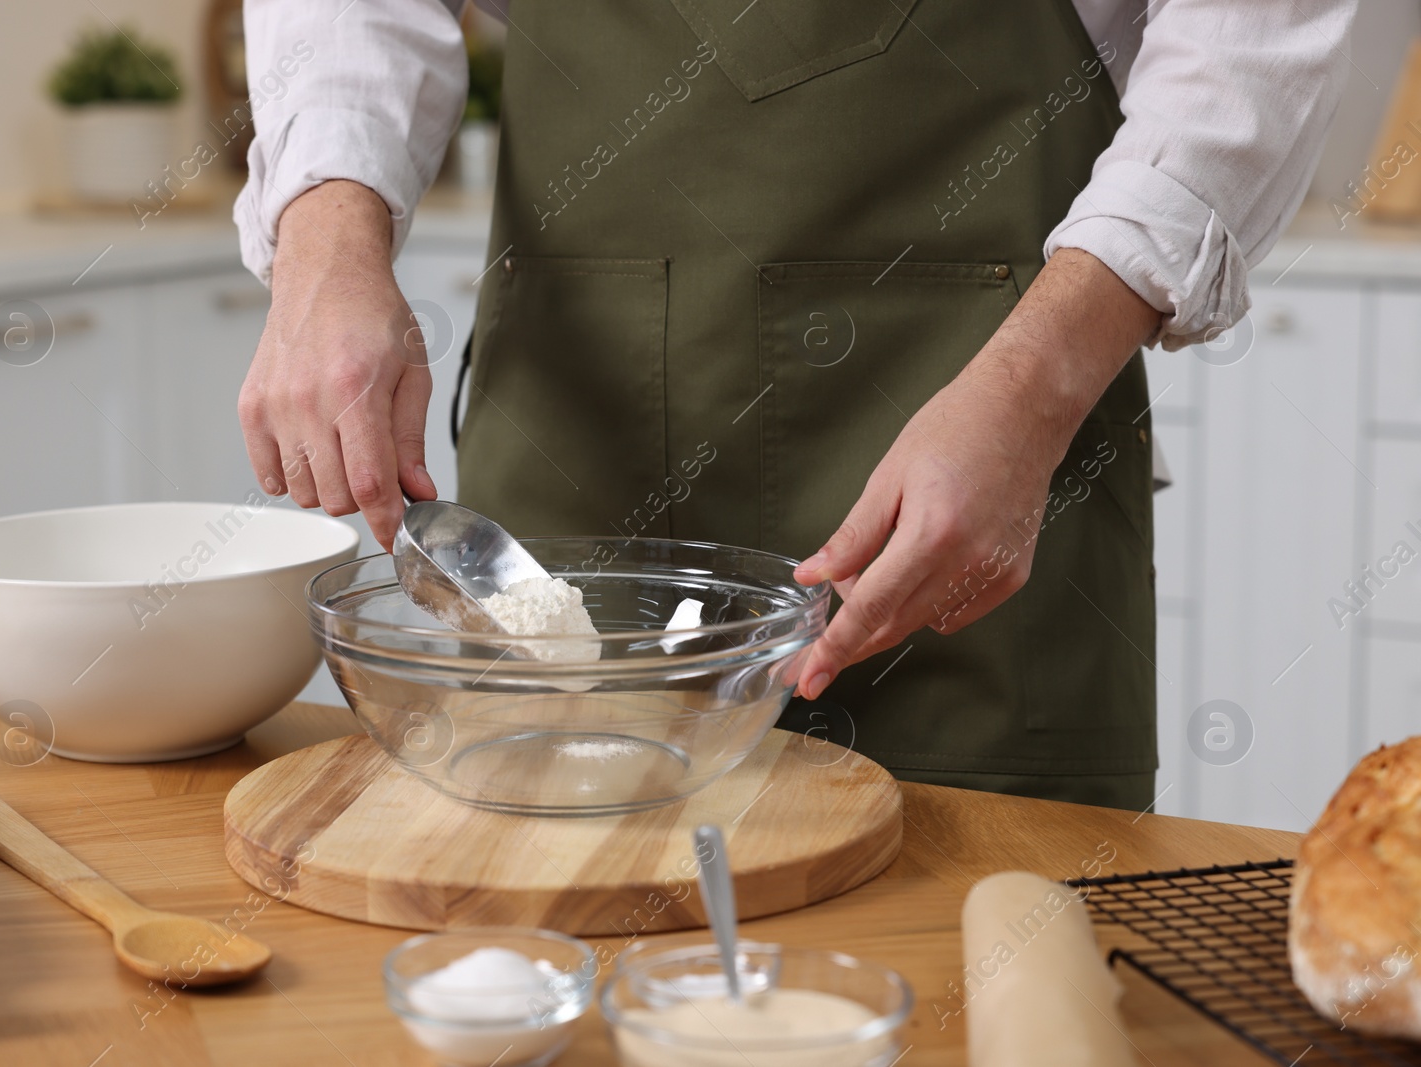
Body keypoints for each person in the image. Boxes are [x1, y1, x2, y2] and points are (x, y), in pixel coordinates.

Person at [233, 0, 1356, 809]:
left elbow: (1248, 32)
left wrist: (1038, 384)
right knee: (556, 924)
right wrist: (325, 241)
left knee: (985, 964)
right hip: (576, 427)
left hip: (987, 439)